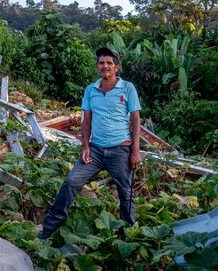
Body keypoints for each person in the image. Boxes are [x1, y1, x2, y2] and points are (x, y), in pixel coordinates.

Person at [39, 47, 142, 239]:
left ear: (116, 67)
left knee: (125, 193)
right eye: (101, 63)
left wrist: (135, 150)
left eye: (109, 63)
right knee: (71, 182)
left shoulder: (128, 88)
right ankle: (49, 229)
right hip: (95, 150)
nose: (105, 66)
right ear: (97, 67)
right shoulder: (90, 90)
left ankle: (126, 237)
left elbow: (136, 119)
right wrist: (85, 146)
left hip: (121, 149)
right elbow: (86, 120)